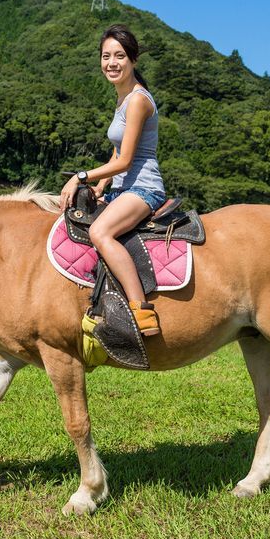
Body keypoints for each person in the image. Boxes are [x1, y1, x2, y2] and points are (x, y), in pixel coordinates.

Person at [60, 24, 166, 336]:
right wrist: (101, 185)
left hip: (144, 188)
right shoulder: (122, 99)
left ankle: (140, 310)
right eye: (106, 56)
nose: (112, 63)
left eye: (119, 56)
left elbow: (126, 160)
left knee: (100, 232)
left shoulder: (137, 100)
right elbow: (116, 153)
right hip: (122, 188)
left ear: (133, 59)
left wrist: (80, 176)